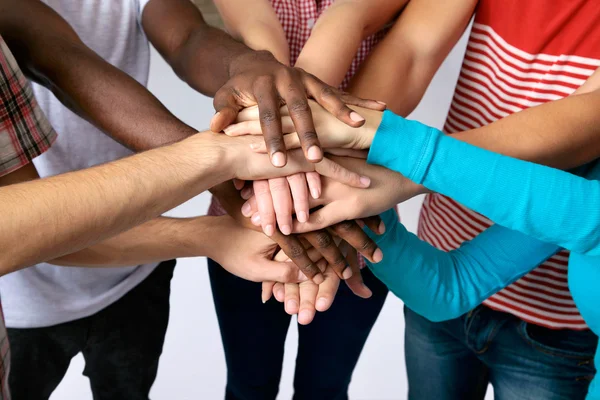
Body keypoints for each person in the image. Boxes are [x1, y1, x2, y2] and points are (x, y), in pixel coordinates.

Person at [0, 0, 386, 398]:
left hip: (136, 274)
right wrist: (223, 175)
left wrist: (248, 67)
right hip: (25, 297)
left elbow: (188, 38)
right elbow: (64, 65)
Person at [232, 0, 600, 397]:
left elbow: (584, 127)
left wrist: (391, 167)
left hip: (556, 314)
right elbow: (408, 49)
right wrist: (323, 181)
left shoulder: (585, 205)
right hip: (448, 247)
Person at [208, 1, 428, 399]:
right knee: (248, 386)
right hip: (247, 221)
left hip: (354, 211)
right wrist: (291, 161)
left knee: (325, 389)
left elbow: (399, 66)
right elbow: (261, 52)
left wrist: (289, 162)